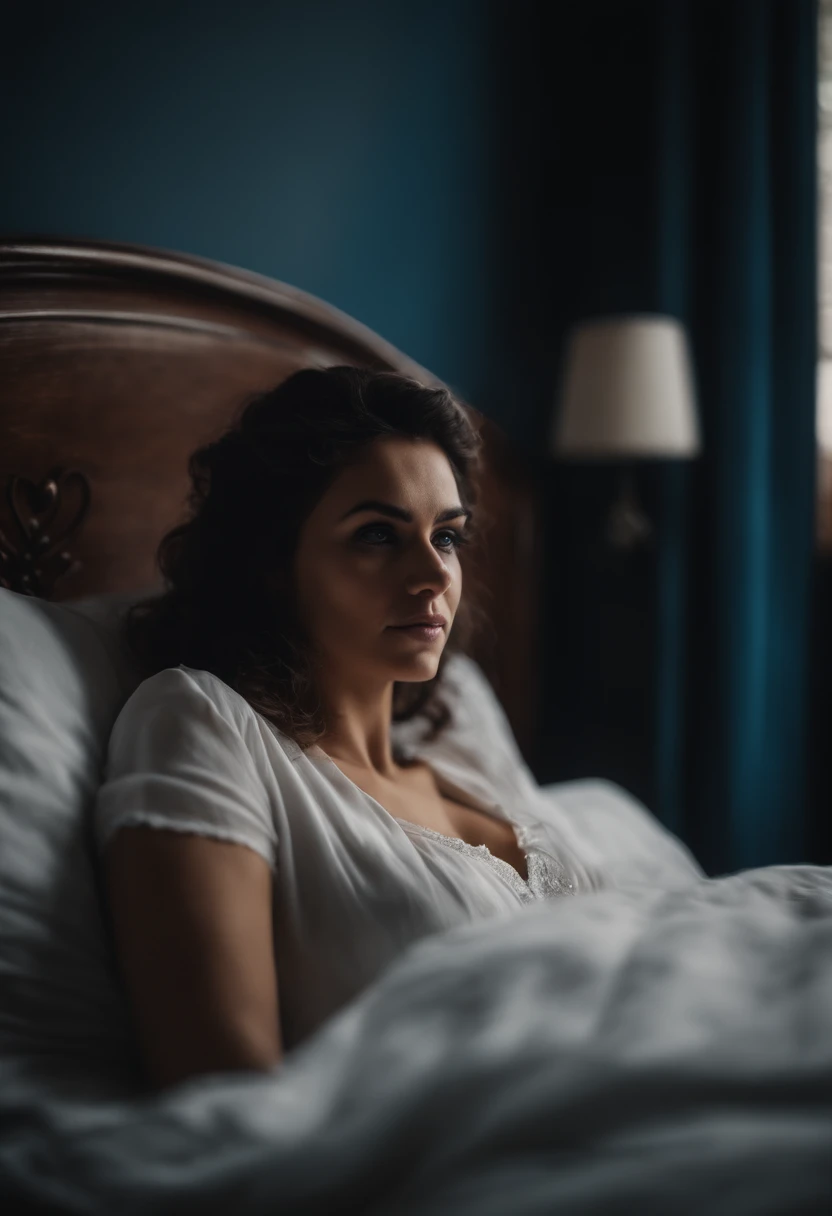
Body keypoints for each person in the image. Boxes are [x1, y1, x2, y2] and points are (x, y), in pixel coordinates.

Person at [94, 366, 602, 1092]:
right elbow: (221, 1093)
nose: (433, 574)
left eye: (448, 537)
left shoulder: (460, 731)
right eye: (377, 535)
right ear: (273, 562)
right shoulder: (204, 724)